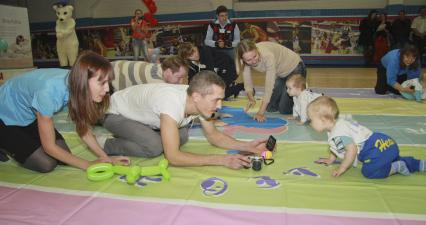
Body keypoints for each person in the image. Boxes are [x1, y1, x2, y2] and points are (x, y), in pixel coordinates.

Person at [99, 70, 268, 169]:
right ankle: (105, 144)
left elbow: (214, 136)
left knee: (182, 136)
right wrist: (221, 160)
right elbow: (172, 157)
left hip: (142, 117)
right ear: (196, 97)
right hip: (114, 114)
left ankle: (147, 134)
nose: (219, 106)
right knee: (154, 147)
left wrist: (247, 146)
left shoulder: (198, 102)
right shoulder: (171, 104)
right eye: (216, 99)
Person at [0, 51, 129, 172]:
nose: (107, 89)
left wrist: (105, 158)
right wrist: (87, 164)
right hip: (5, 115)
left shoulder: (76, 85)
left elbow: (83, 129)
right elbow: (49, 147)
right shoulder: (49, 92)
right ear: (84, 81)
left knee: (63, 156)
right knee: (46, 163)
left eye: (108, 82)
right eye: (102, 83)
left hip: (27, 114)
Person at [308, 96, 426, 178]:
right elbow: (337, 147)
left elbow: (352, 149)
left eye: (312, 120)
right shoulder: (338, 123)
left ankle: (396, 167)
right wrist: (331, 159)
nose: (310, 123)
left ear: (324, 120)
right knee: (389, 158)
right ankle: (419, 164)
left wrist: (342, 168)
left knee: (369, 171)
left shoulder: (338, 134)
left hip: (375, 149)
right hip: (384, 141)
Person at [236, 39, 306, 122]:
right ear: (243, 59)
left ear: (257, 50)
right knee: (270, 108)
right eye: (248, 60)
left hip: (295, 68)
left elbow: (269, 86)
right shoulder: (244, 61)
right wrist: (250, 97)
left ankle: (304, 95)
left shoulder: (267, 56)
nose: (253, 61)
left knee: (284, 109)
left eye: (255, 56)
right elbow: (247, 82)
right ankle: (287, 93)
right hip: (281, 74)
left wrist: (260, 113)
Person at [177, 42, 243, 99]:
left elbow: (211, 74)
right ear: (186, 58)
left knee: (218, 94)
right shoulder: (190, 63)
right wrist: (191, 92)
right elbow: (191, 78)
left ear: (195, 47)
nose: (195, 55)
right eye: (191, 56)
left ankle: (240, 86)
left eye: (194, 51)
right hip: (218, 72)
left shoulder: (205, 51)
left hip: (229, 68)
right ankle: (229, 86)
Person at [110, 55, 188, 92]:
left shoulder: (159, 68)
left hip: (113, 67)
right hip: (110, 74)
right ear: (168, 72)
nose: (181, 82)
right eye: (179, 77)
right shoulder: (156, 82)